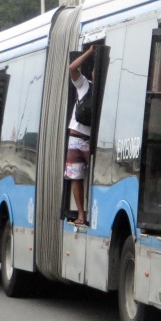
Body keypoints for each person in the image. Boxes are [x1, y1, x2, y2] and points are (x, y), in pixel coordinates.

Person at [64, 45, 96, 225]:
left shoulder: (107, 92)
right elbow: (72, 68)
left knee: (95, 177)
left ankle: (93, 212)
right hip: (76, 138)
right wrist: (89, 52)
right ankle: (81, 215)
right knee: (76, 177)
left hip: (92, 140)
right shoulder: (84, 84)